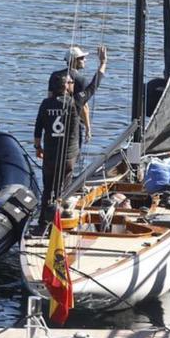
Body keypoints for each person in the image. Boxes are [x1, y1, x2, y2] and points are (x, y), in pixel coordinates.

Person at [34, 67, 104, 225]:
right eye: (71, 82)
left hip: (50, 156)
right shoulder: (76, 101)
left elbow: (38, 129)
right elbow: (93, 87)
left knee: (47, 190)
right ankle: (56, 225)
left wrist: (38, 148)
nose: (73, 83)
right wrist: (102, 65)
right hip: (67, 158)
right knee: (62, 193)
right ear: (66, 86)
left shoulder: (45, 104)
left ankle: (42, 222)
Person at [48, 45, 108, 144]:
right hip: (73, 124)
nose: (85, 60)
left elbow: (49, 97)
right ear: (75, 60)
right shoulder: (80, 80)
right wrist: (88, 128)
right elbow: (84, 106)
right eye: (82, 58)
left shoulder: (54, 76)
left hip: (54, 123)